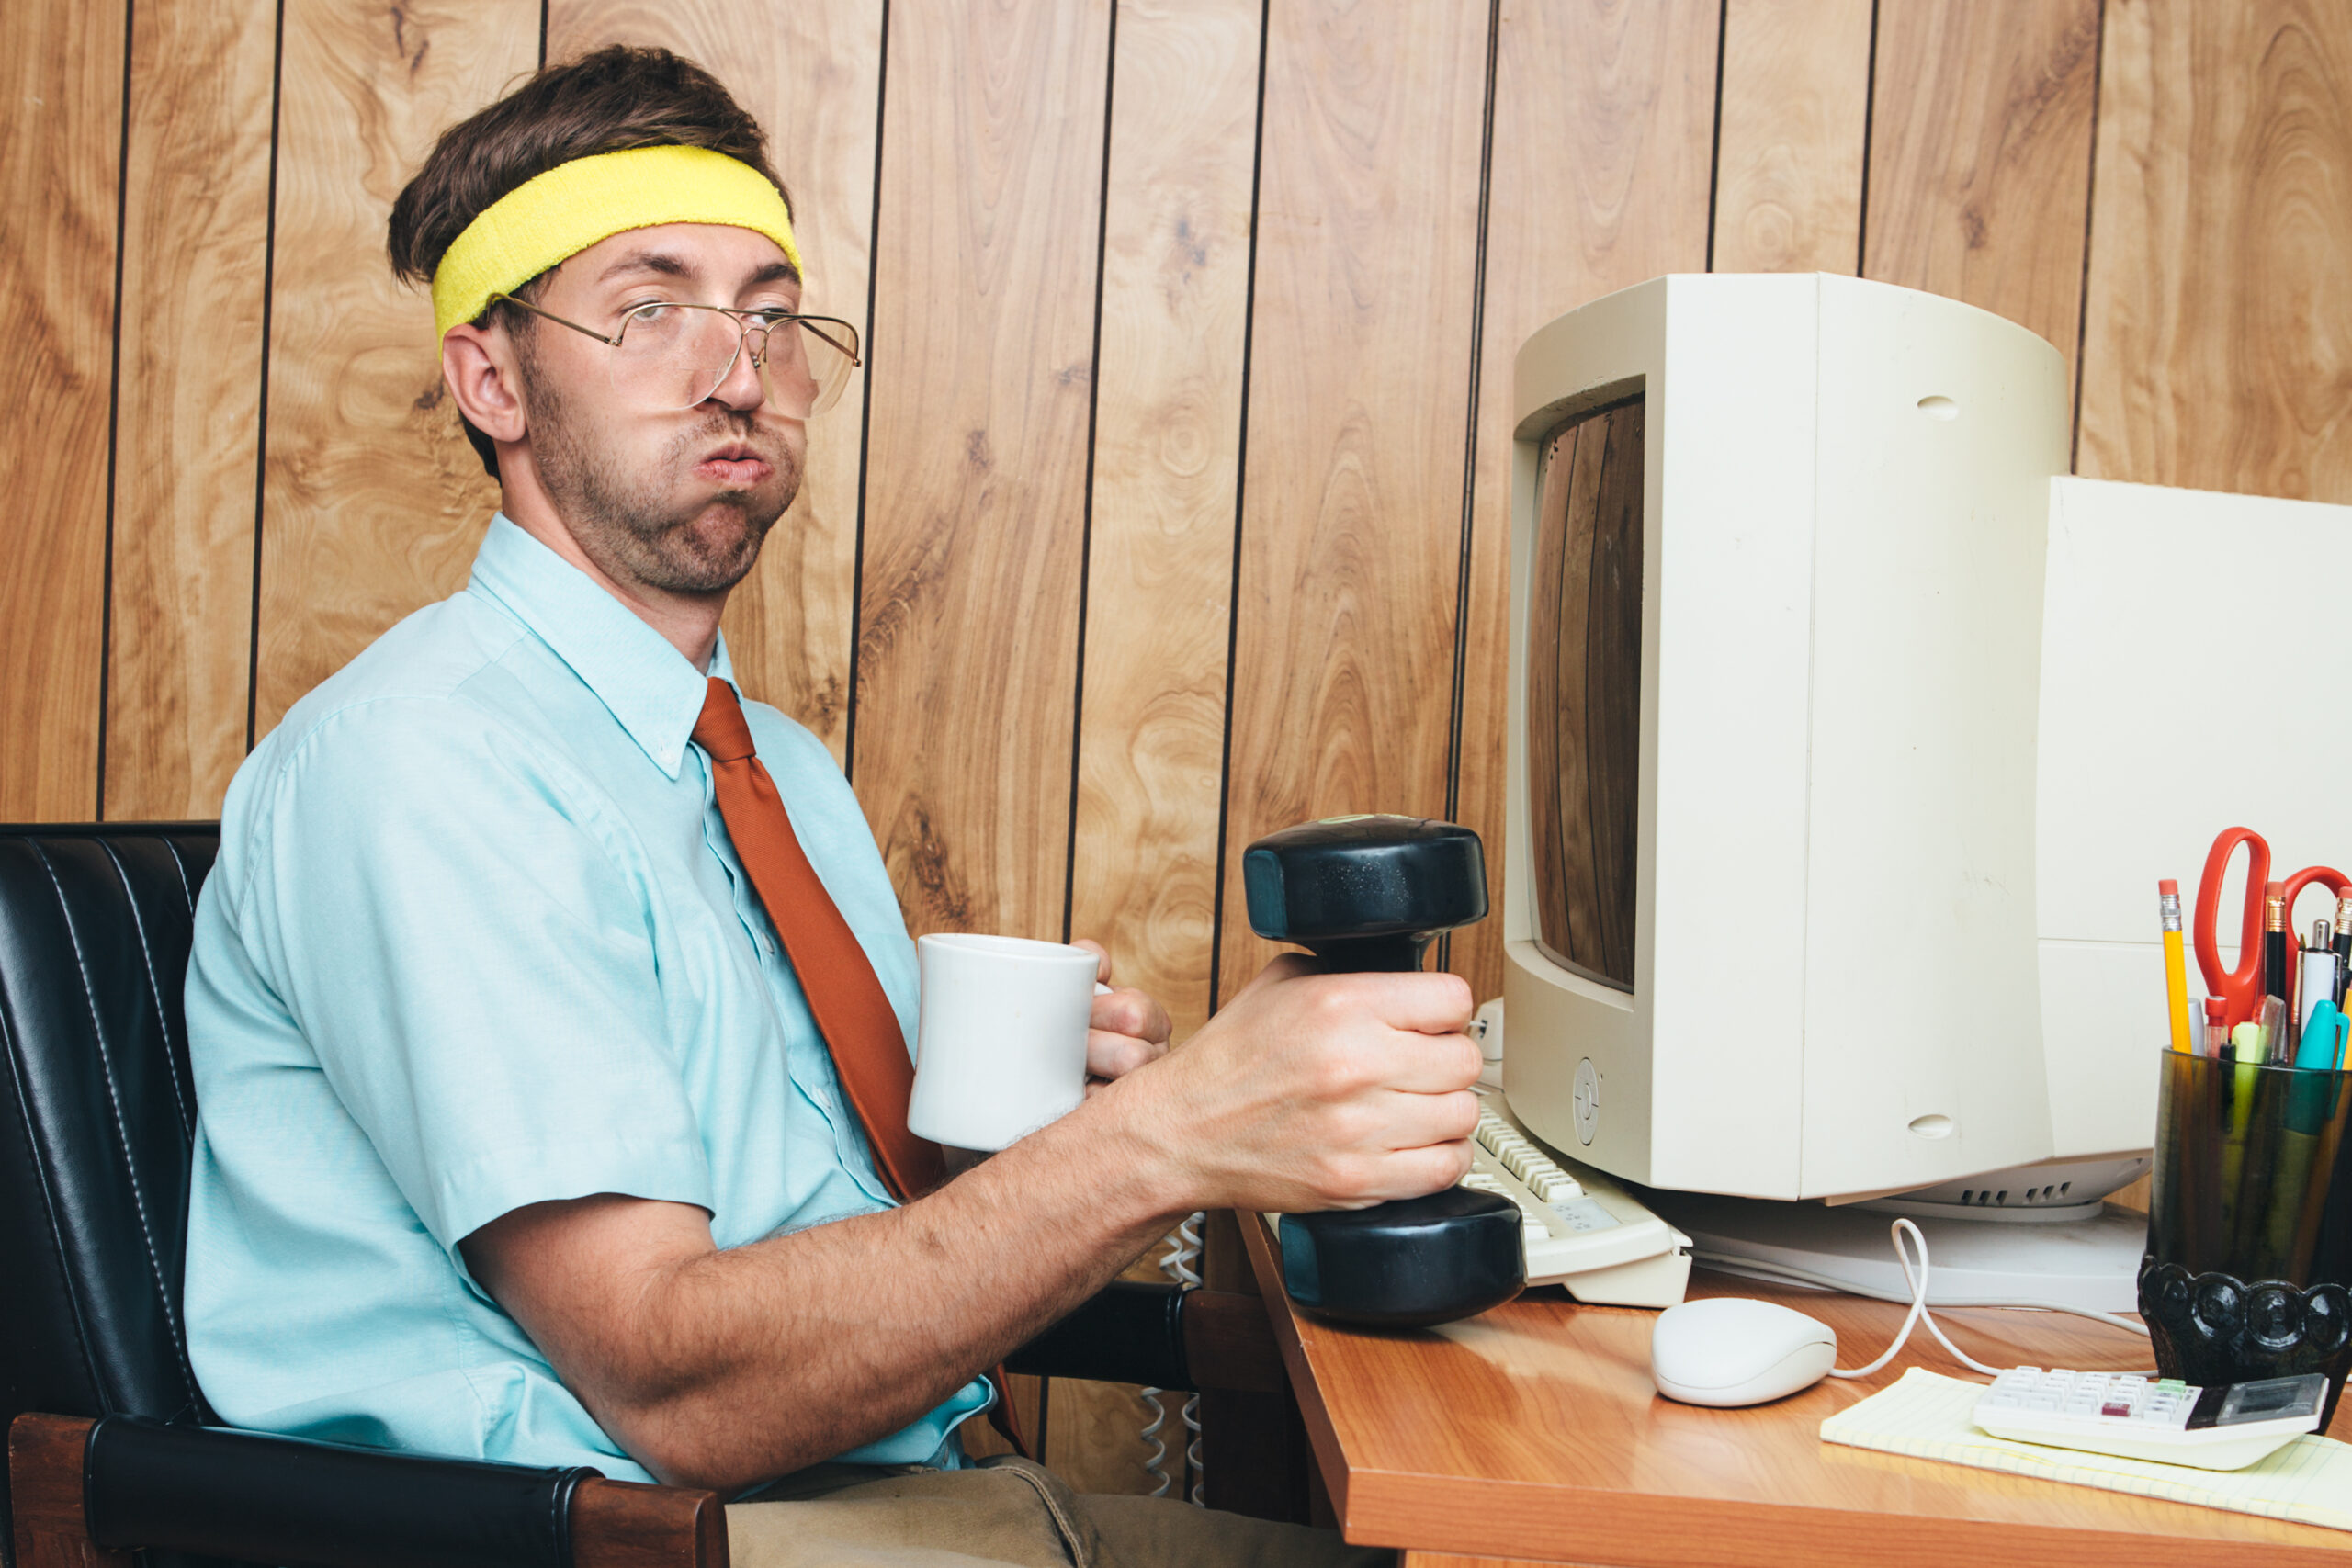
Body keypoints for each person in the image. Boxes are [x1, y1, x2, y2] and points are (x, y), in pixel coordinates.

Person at [184, 45, 1480, 1568]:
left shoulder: (770, 766)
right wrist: (1168, 1145)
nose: (740, 370)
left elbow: (833, 1248)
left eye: (773, 314)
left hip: (895, 1486)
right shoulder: (424, 767)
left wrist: (1035, 1139)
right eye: (651, 306)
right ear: (492, 379)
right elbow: (678, 1381)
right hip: (641, 1534)